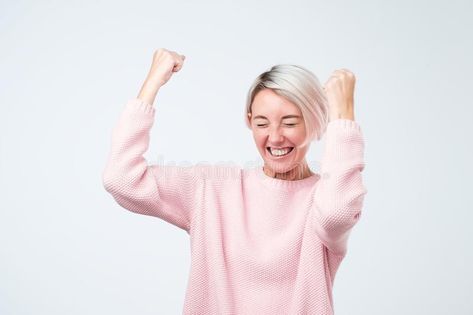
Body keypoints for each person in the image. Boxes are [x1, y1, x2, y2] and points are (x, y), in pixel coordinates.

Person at [102, 48, 368, 314]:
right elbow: (121, 178)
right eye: (262, 123)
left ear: (315, 122)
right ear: (249, 121)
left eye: (289, 123)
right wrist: (152, 83)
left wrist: (343, 116)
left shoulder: (324, 199)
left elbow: (336, 214)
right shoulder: (212, 188)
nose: (275, 138)